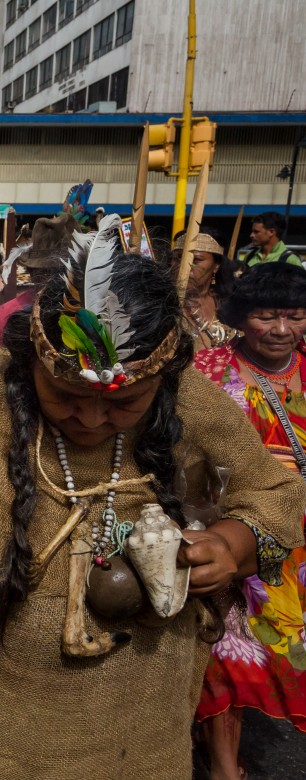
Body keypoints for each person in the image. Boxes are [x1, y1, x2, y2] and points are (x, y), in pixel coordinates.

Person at [0, 215, 304, 779]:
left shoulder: (184, 393)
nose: (93, 417)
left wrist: (232, 541)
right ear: (34, 363)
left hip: (135, 730)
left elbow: (273, 488)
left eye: (125, 404)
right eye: (67, 395)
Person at [193, 263, 306, 779]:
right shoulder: (210, 370)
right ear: (243, 317)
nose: (282, 329)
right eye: (267, 316)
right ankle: (223, 766)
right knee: (227, 651)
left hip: (299, 548)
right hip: (236, 532)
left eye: (295, 317)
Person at [0, 213, 74, 350]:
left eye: (59, 271)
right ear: (32, 272)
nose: (55, 279)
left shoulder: (100, 311)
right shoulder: (7, 314)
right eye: (45, 271)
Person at [174, 231, 239, 350]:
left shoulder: (230, 301)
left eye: (196, 259)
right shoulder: (165, 306)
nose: (185, 266)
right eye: (179, 258)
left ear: (216, 266)